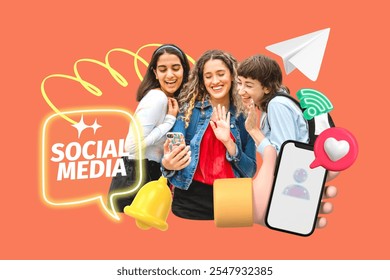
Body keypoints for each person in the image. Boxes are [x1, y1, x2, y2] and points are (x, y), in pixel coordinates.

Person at [237, 54, 338, 226]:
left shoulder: (277, 105)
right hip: (298, 175)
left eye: (249, 85)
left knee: (291, 220)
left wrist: (254, 132)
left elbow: (284, 153)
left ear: (267, 88)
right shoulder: (272, 105)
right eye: (239, 83)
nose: (241, 90)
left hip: (295, 173)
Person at [161, 49, 257, 220]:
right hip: (190, 199)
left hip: (233, 199)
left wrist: (229, 143)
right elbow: (172, 160)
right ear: (202, 80)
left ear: (233, 76)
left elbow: (250, 171)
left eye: (221, 74)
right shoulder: (187, 112)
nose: (215, 81)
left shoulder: (244, 116)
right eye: (208, 76)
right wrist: (168, 165)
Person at [108, 44, 191, 212]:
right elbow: (130, 146)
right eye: (162, 69)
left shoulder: (171, 100)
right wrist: (169, 121)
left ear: (184, 70)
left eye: (176, 68)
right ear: (155, 73)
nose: (170, 75)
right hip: (135, 174)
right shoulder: (157, 98)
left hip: (150, 174)